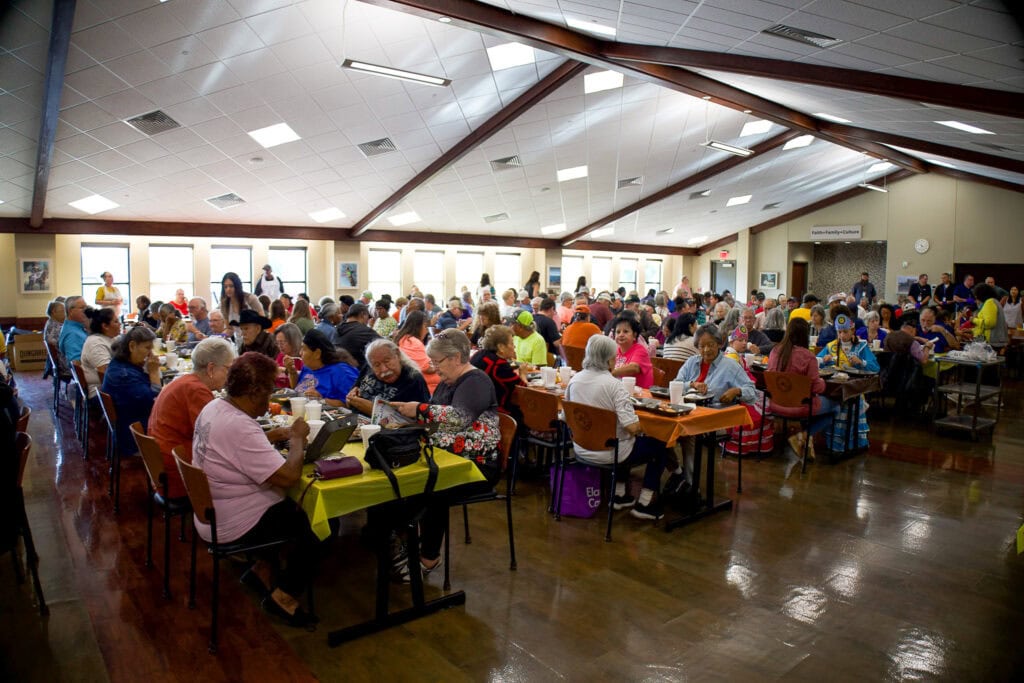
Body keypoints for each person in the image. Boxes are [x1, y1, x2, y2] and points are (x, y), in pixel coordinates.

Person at [191, 352, 319, 626]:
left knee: (291, 508)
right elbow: (289, 477)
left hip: (212, 511)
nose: (271, 396)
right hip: (232, 522)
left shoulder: (215, 407)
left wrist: (267, 436)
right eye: (269, 390)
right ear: (254, 392)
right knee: (318, 522)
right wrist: (298, 440)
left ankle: (261, 569)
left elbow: (230, 447)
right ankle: (284, 597)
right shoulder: (239, 426)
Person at [390, 329, 501, 573]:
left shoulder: (476, 381)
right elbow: (435, 415)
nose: (434, 368)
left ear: (456, 358)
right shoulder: (447, 381)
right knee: (405, 478)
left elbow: (459, 417)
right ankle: (408, 543)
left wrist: (419, 410)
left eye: (437, 362)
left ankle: (428, 557)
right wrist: (405, 418)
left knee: (433, 487)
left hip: (477, 464)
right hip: (448, 457)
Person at [563, 334, 670, 520]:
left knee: (622, 438)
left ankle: (619, 494)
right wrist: (647, 426)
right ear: (608, 359)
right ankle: (646, 502)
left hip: (581, 448)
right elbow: (632, 427)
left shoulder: (575, 380)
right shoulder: (614, 386)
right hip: (611, 453)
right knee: (660, 444)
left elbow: (566, 417)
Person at [148, 337, 236, 500]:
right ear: (211, 368)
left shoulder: (185, 381)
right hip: (178, 473)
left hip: (164, 464)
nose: (230, 375)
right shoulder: (196, 390)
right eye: (228, 369)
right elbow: (216, 438)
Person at [673, 324, 756, 490]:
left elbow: (752, 391)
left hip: (716, 419)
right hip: (689, 413)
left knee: (689, 434)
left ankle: (691, 485)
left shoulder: (730, 366)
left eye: (710, 345)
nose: (706, 350)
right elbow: (675, 384)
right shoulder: (692, 362)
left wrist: (736, 391)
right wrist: (692, 384)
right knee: (662, 430)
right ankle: (677, 472)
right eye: (701, 346)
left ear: (719, 343)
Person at [767, 317, 838, 461]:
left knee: (813, 404)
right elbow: (817, 388)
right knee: (836, 407)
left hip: (776, 404)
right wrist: (822, 382)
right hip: (799, 407)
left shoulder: (775, 351)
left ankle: (804, 439)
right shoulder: (808, 357)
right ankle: (804, 435)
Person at [101, 325, 162, 457]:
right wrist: (154, 373)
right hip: (135, 439)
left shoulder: (119, 364)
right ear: (132, 346)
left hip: (129, 427)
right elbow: (155, 403)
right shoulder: (124, 376)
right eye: (147, 348)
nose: (150, 354)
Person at [345, 338, 429, 416]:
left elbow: (421, 417)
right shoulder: (368, 367)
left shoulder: (413, 379)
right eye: (377, 365)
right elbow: (353, 393)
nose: (384, 369)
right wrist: (350, 397)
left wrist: (371, 408)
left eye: (387, 361)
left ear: (397, 354)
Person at [286, 330, 358, 406]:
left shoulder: (341, 372)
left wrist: (321, 400)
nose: (300, 353)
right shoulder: (308, 366)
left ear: (317, 353)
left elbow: (350, 404)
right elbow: (297, 388)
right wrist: (292, 372)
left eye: (304, 349)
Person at [471, 324, 526, 420]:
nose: (514, 346)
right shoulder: (499, 365)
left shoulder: (478, 354)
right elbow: (523, 390)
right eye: (511, 343)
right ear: (501, 347)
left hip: (473, 407)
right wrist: (523, 374)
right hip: (494, 415)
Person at [395, 311, 440, 395]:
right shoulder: (412, 342)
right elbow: (428, 368)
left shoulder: (404, 339)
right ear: (419, 326)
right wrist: (440, 361)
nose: (426, 331)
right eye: (425, 326)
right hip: (428, 388)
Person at [80, 307, 121, 398]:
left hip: (111, 388)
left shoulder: (111, 337)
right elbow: (106, 374)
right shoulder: (95, 343)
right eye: (116, 321)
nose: (120, 324)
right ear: (105, 326)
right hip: (101, 394)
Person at [610, 314, 654, 388]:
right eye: (618, 332)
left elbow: (634, 368)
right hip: (620, 391)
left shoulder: (640, 350)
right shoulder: (615, 351)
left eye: (625, 331)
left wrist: (611, 373)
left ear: (634, 335)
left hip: (640, 393)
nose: (621, 335)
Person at [335, 303, 380, 368]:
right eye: (368, 317)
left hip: (341, 368)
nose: (367, 320)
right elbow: (383, 344)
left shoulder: (337, 328)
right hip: (357, 370)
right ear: (362, 314)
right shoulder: (364, 331)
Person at [968, 283, 1008, 348]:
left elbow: (989, 324)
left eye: (976, 295)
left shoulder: (989, 302)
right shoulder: (993, 301)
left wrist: (974, 320)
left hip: (991, 341)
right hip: (991, 339)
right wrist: (971, 330)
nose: (976, 297)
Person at [58, 295, 90, 363]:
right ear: (70, 311)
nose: (86, 310)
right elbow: (76, 363)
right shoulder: (72, 334)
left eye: (86, 307)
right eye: (82, 308)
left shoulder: (76, 327)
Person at [273, 322, 304, 388]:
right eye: (277, 342)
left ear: (293, 340)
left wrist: (285, 370)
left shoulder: (302, 358)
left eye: (282, 342)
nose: (279, 346)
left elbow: (305, 378)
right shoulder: (281, 355)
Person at [43, 299, 69, 378]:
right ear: (54, 312)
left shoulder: (51, 323)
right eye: (63, 311)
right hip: (66, 365)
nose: (65, 314)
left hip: (62, 362)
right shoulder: (56, 327)